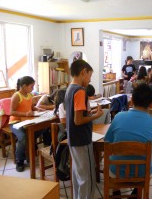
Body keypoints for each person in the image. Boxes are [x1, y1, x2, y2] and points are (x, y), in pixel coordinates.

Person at [104, 84, 152, 197]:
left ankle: (116, 191)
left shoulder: (118, 117)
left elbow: (108, 141)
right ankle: (137, 190)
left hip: (115, 171)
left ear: (131, 101)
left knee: (111, 158)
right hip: (142, 173)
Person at [65, 59, 104, 199]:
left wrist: (91, 113)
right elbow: (78, 120)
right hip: (81, 139)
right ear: (83, 72)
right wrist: (97, 115)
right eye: (90, 76)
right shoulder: (80, 91)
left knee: (78, 174)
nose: (90, 79)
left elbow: (77, 114)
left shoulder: (70, 88)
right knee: (87, 178)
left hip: (73, 138)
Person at [9, 76, 44, 172]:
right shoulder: (17, 96)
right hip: (15, 123)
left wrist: (38, 109)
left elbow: (31, 107)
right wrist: (25, 114)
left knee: (43, 127)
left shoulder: (29, 95)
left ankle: (30, 147)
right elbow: (11, 112)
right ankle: (19, 161)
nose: (33, 89)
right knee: (23, 137)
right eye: (31, 86)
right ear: (24, 86)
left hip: (27, 121)